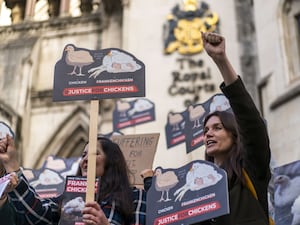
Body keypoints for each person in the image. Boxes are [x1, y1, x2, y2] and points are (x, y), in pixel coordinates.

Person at [199, 32, 271, 224]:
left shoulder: (250, 167)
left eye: (217, 128)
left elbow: (249, 120)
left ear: (234, 135)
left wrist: (221, 60)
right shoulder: (199, 189)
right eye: (205, 131)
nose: (209, 134)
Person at [0, 135, 146, 225]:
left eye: (95, 153)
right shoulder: (69, 198)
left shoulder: (135, 196)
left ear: (112, 161)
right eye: (83, 155)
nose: (86, 159)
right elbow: (38, 212)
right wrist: (12, 166)